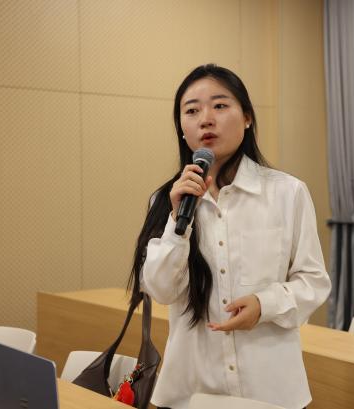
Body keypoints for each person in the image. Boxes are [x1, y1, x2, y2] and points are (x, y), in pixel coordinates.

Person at [128, 64, 331, 409]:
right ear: (181, 128)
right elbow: (161, 290)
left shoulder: (287, 192)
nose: (206, 119)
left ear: (247, 117)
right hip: (190, 391)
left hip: (270, 391)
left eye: (220, 106)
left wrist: (265, 304)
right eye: (192, 111)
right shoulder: (167, 200)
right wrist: (177, 222)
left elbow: (314, 281)